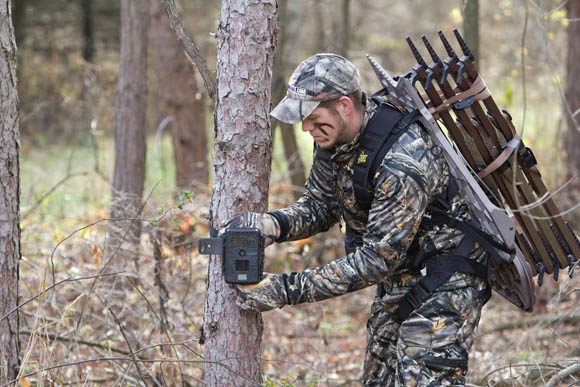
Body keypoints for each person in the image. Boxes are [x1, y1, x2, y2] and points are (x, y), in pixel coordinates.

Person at [221, 53, 491, 386]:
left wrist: (284, 289)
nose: (306, 128)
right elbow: (321, 206)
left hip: (448, 277)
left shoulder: (403, 160)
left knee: (423, 379)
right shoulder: (333, 140)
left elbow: (374, 261)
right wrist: (272, 225)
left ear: (345, 105)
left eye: (312, 116)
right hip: (401, 275)